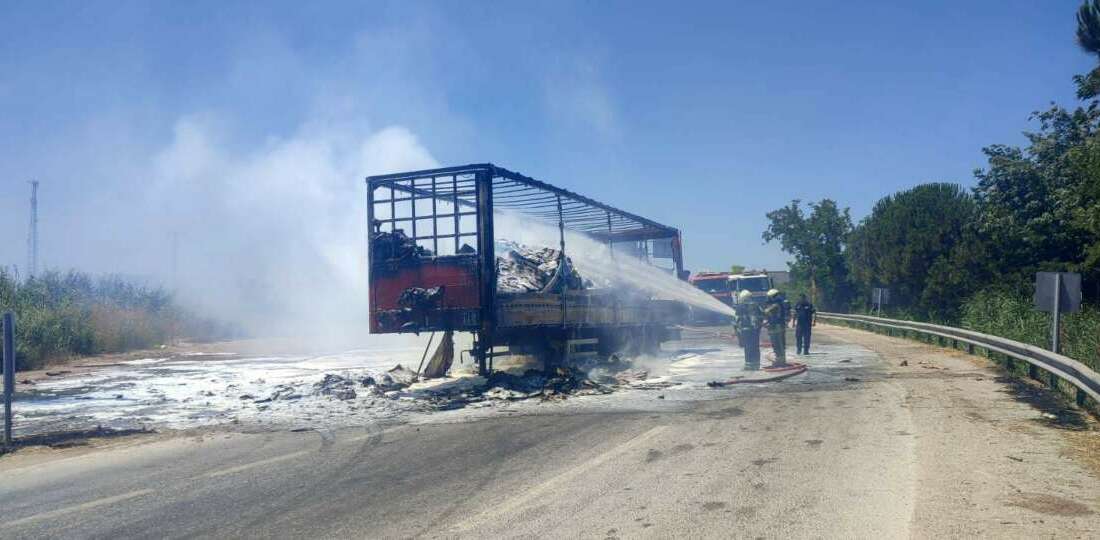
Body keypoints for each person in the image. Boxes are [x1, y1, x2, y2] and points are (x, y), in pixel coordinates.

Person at [732, 290, 763, 370]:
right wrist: (758, 327)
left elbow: (736, 320)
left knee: (748, 347)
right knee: (755, 346)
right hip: (755, 330)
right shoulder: (756, 305)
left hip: (746, 330)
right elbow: (761, 317)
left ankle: (749, 365)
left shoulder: (740, 307)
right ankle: (756, 364)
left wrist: (736, 331)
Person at [763, 289, 789, 366]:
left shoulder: (777, 304)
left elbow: (768, 311)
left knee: (778, 343)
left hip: (777, 326)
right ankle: (780, 359)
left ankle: (781, 361)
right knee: (776, 344)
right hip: (775, 325)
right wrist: (766, 322)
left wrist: (765, 312)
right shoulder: (778, 303)